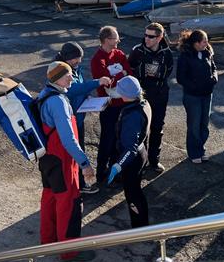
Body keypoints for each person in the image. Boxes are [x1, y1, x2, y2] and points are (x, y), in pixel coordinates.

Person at [37, 61, 97, 262]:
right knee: (69, 204)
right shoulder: (58, 102)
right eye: (67, 75)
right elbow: (68, 139)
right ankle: (69, 251)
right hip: (62, 161)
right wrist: (85, 164)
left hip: (47, 158)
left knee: (50, 198)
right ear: (56, 78)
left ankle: (48, 241)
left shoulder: (45, 94)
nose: (72, 78)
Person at [56, 41, 111, 195]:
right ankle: (76, 185)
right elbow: (72, 89)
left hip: (78, 119)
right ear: (66, 57)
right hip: (70, 121)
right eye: (75, 58)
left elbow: (81, 85)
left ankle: (78, 183)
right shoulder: (60, 71)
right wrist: (97, 83)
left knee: (79, 150)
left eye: (79, 57)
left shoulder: (74, 68)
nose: (78, 61)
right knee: (75, 152)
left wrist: (88, 97)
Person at [128, 23, 174, 174]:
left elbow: (168, 71)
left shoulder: (166, 53)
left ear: (159, 38)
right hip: (142, 94)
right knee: (141, 129)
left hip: (160, 94)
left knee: (157, 127)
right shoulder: (137, 51)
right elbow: (129, 70)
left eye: (151, 36)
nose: (146, 39)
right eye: (145, 35)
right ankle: (141, 162)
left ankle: (154, 161)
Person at [108, 76, 152, 228]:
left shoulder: (132, 115)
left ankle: (139, 229)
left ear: (125, 94)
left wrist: (118, 165)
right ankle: (142, 225)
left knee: (132, 195)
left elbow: (130, 149)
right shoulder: (143, 103)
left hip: (132, 160)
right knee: (137, 191)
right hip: (142, 152)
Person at [90, 26, 131, 184]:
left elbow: (129, 74)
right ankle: (101, 173)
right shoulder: (97, 60)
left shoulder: (119, 54)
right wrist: (121, 74)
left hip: (123, 104)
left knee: (119, 140)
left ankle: (115, 171)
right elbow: (106, 83)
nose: (118, 41)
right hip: (108, 106)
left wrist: (116, 76)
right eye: (115, 38)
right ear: (106, 40)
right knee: (107, 140)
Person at [176, 29, 218, 164]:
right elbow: (181, 77)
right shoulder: (185, 56)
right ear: (196, 43)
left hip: (207, 94)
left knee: (204, 123)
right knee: (194, 124)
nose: (207, 43)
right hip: (192, 97)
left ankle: (201, 149)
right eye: (204, 41)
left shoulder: (207, 52)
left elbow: (214, 68)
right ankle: (194, 152)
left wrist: (214, 78)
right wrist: (195, 86)